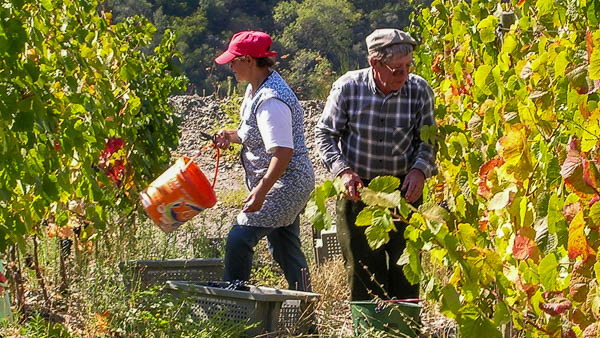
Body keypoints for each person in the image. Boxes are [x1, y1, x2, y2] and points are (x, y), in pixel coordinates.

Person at [315, 28, 437, 301]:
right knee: (363, 270)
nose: (404, 75)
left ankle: (404, 329)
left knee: (406, 267)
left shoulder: (419, 91)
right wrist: (343, 172)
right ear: (374, 63)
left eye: (408, 67)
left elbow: (428, 140)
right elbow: (325, 134)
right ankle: (370, 329)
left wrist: (419, 170)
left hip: (405, 191)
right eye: (396, 70)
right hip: (358, 191)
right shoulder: (348, 87)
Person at [213, 31, 315, 291]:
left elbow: (283, 152)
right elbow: (254, 133)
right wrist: (231, 136)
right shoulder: (254, 89)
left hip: (286, 183)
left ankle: (233, 306)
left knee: (239, 238)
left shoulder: (271, 100)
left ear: (249, 60)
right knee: (285, 248)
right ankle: (304, 312)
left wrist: (261, 190)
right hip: (286, 182)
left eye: (233, 61)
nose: (230, 67)